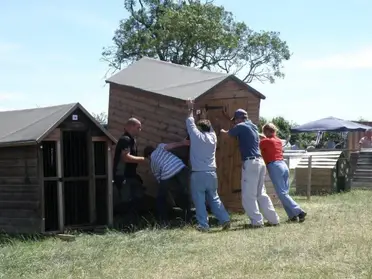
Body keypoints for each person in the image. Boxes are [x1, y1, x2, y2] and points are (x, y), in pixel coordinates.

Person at [220, 109, 279, 228]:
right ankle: (274, 220)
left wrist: (220, 130)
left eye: (235, 120)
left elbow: (227, 134)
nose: (235, 123)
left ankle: (257, 222)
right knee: (261, 194)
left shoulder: (241, 126)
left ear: (238, 119)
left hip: (250, 162)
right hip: (260, 162)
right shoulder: (253, 126)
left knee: (248, 195)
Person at [186, 99, 230, 232]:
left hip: (198, 173)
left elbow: (189, 121)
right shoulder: (213, 137)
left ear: (199, 129)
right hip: (211, 173)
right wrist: (204, 117)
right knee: (214, 197)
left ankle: (204, 225)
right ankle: (225, 219)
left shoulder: (195, 136)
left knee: (199, 200)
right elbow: (208, 127)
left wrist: (190, 108)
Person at [260, 123, 307, 223]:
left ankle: (299, 211)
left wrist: (260, 137)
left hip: (274, 166)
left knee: (281, 193)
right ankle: (292, 216)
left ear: (267, 131)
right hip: (283, 165)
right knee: (284, 193)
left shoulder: (265, 141)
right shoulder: (278, 141)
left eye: (264, 131)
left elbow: (258, 144)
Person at [144, 140, 192, 225]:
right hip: (181, 167)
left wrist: (167, 192)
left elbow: (160, 180)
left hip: (167, 173)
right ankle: (188, 217)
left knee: (161, 198)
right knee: (185, 192)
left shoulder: (152, 164)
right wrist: (183, 143)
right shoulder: (160, 147)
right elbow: (172, 145)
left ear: (148, 156)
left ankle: (163, 220)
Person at [113, 118, 146, 220]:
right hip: (122, 175)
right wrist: (143, 159)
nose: (140, 130)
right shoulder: (125, 140)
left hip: (130, 175)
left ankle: (133, 221)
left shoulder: (132, 140)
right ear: (131, 126)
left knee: (138, 196)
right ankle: (123, 223)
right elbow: (125, 158)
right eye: (138, 127)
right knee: (126, 200)